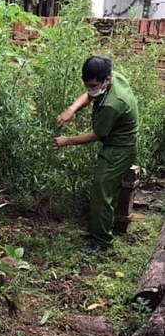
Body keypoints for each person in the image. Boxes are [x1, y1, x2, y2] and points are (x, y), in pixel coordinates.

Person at [53, 56, 138, 254]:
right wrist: (71, 109)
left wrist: (68, 140)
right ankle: (98, 230)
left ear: (106, 80)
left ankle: (102, 242)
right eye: (87, 84)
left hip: (119, 149)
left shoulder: (112, 104)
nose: (90, 88)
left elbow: (98, 134)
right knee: (104, 189)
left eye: (93, 85)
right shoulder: (112, 78)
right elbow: (90, 94)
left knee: (102, 192)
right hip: (116, 146)